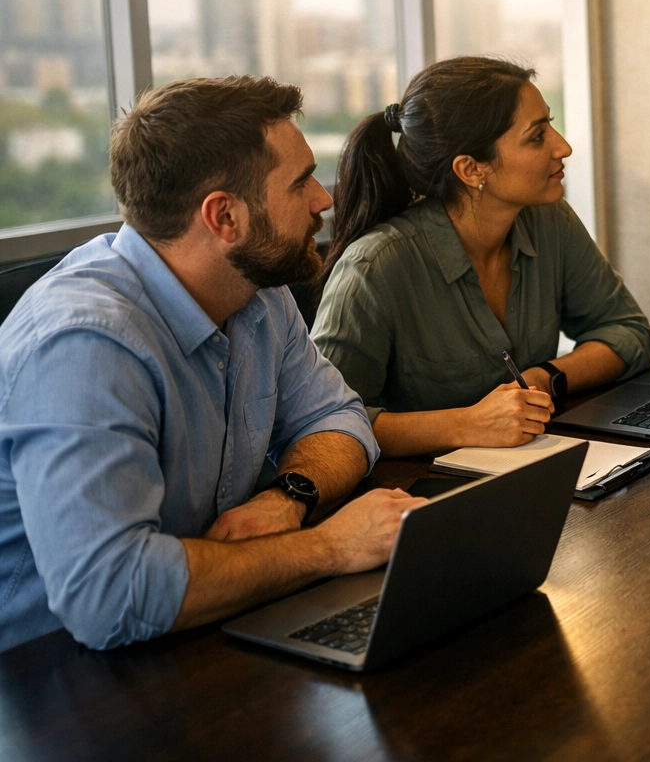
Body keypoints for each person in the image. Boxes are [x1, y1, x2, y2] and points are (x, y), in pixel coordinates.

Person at [0, 77, 426, 654]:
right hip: (54, 682)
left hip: (202, 623)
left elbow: (341, 419)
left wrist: (289, 496)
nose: (323, 200)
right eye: (300, 182)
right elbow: (112, 597)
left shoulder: (257, 291)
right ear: (224, 217)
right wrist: (331, 547)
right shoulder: (85, 346)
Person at [312, 56, 650, 457]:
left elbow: (630, 333)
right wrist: (468, 424)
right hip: (412, 497)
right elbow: (324, 426)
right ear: (471, 169)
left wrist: (545, 378)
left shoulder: (549, 220)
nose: (563, 147)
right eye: (537, 136)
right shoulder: (374, 268)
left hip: (528, 472)